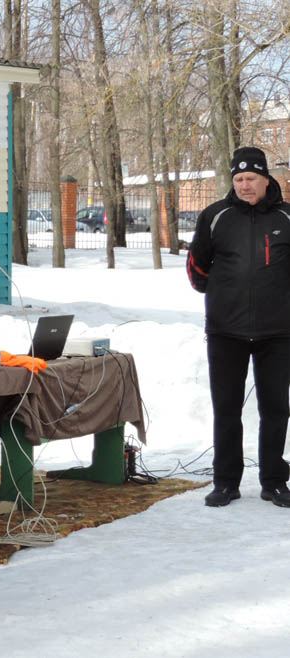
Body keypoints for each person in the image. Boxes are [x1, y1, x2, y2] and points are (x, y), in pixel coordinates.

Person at [188, 146, 290, 509]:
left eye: (252, 178)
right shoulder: (215, 216)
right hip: (225, 330)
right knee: (227, 409)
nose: (245, 185)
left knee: (275, 410)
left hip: (278, 331)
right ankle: (226, 482)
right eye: (239, 179)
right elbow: (197, 267)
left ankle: (274, 482)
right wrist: (223, 294)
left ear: (266, 179)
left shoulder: (286, 216)